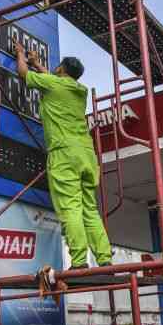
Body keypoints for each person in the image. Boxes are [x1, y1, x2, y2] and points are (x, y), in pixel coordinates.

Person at [15, 42, 113, 269]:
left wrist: (21, 54)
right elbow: (55, 82)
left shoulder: (54, 84)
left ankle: (79, 262)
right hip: (87, 155)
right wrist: (39, 63)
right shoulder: (79, 91)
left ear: (60, 69)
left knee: (70, 207)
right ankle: (105, 259)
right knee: (89, 208)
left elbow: (23, 73)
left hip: (64, 153)